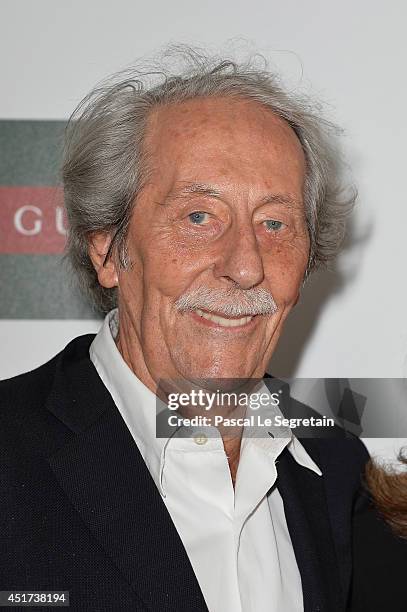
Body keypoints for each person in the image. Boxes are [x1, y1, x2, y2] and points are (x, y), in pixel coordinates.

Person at [0, 46, 381, 611]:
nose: (246, 264)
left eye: (275, 223)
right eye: (199, 216)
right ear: (108, 247)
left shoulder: (334, 466)